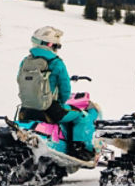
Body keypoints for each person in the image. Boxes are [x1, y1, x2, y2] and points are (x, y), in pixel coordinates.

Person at [16, 25, 98, 160]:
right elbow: (65, 91)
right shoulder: (56, 63)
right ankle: (79, 149)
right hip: (50, 110)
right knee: (81, 116)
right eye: (56, 46)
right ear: (50, 45)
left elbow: (19, 81)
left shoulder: (26, 61)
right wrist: (59, 103)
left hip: (26, 110)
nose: (56, 49)